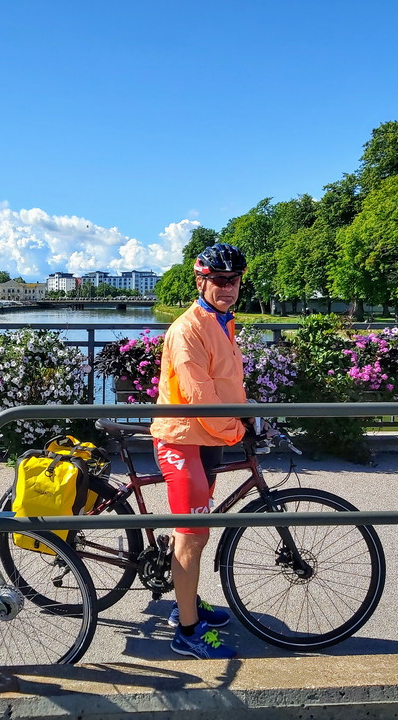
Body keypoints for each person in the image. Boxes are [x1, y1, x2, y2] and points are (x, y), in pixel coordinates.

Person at [150, 243, 248, 660]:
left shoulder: (223, 322)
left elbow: (225, 385)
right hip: (183, 438)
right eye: (219, 280)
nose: (228, 288)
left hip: (209, 438)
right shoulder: (188, 329)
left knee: (200, 532)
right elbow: (198, 397)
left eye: (234, 280)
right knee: (191, 536)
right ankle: (186, 631)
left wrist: (242, 419)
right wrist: (238, 429)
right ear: (201, 280)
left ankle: (184, 601)